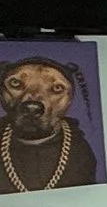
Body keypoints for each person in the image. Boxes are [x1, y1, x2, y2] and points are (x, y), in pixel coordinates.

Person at [0, 53, 101, 191]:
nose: (32, 104)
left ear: (69, 100)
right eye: (16, 84)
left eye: (56, 88)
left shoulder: (81, 155)